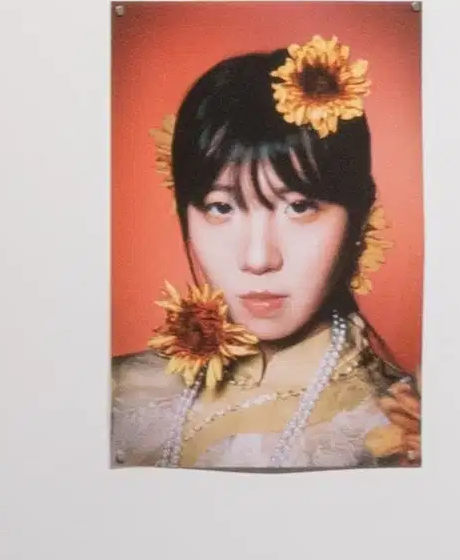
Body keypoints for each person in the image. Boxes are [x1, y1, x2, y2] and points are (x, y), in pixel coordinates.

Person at [110, 37, 415, 469]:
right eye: (221, 207)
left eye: (299, 207)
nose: (258, 259)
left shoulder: (403, 429)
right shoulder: (115, 392)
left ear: (359, 217)